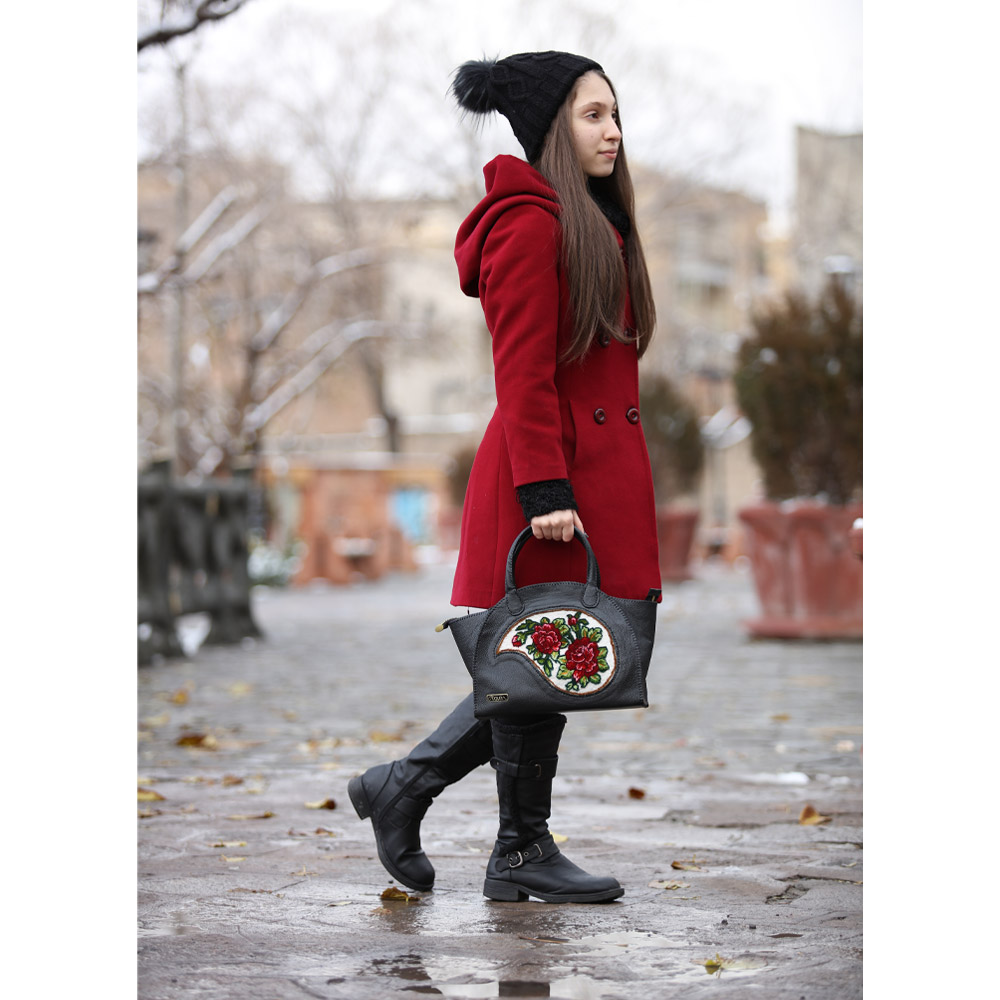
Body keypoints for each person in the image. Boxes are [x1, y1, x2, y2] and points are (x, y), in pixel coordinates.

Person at [348, 51, 661, 904]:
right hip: (549, 478)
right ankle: (456, 816)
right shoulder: (531, 224)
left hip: (590, 477)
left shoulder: (596, 222)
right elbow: (522, 372)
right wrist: (546, 494)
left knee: (547, 666)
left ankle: (492, 837)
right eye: (594, 114)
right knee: (535, 664)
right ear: (552, 124)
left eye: (615, 113)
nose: (613, 131)